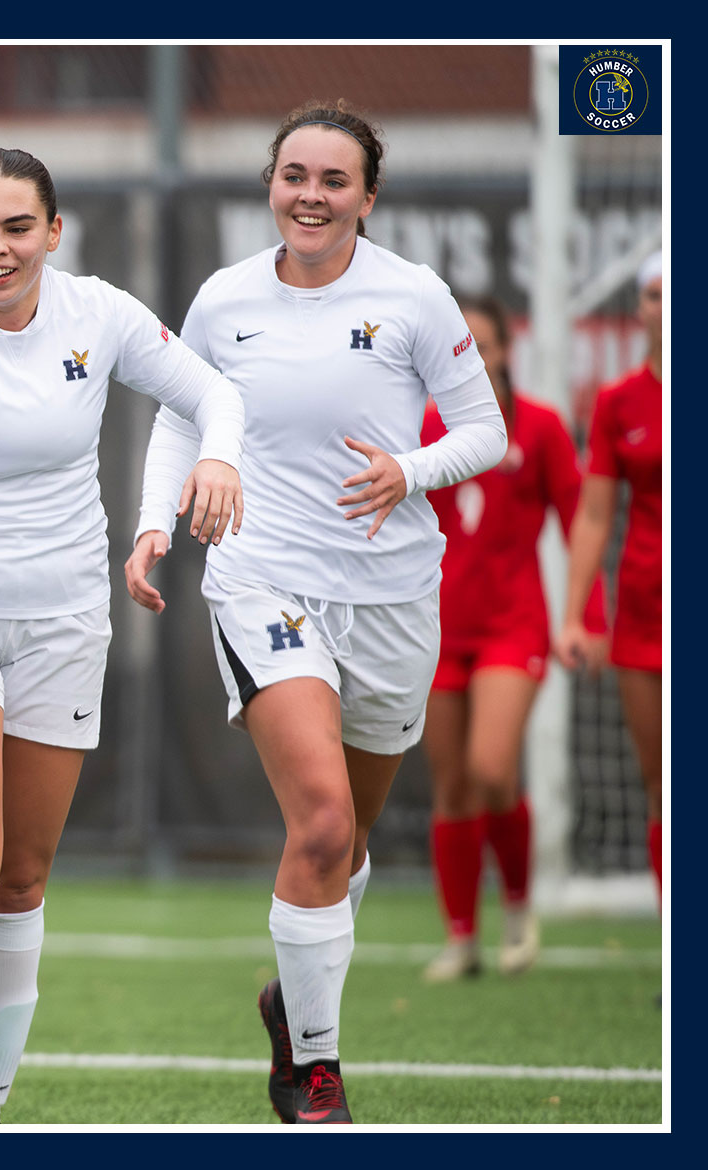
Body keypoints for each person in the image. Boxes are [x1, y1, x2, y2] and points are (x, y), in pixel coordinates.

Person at [125, 101, 505, 1124]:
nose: (310, 195)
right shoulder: (223, 299)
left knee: (348, 843)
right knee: (322, 820)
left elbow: (484, 433)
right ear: (270, 184)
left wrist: (407, 471)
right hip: (261, 580)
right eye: (293, 174)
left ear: (365, 198)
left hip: (389, 596)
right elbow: (180, 414)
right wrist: (154, 523)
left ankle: (290, 1007)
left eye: (333, 180)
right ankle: (316, 1073)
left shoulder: (413, 298)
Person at [0, 147, 245, 1124]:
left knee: (21, 874)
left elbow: (212, 394)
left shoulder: (99, 312)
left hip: (63, 621)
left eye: (16, 228)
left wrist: (185, 490)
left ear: (54, 232)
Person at [419, 295, 604, 982]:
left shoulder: (544, 429)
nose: (472, 353)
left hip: (513, 626)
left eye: (484, 343)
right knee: (453, 784)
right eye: (459, 341)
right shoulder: (427, 428)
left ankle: (520, 913)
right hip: (437, 627)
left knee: (493, 769)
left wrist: (586, 617)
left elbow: (578, 521)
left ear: (504, 352)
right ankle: (461, 939)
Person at [558, 252, 663, 897]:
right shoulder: (618, 402)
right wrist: (574, 614)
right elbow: (594, 513)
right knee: (662, 786)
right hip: (646, 614)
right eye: (654, 294)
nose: (664, 306)